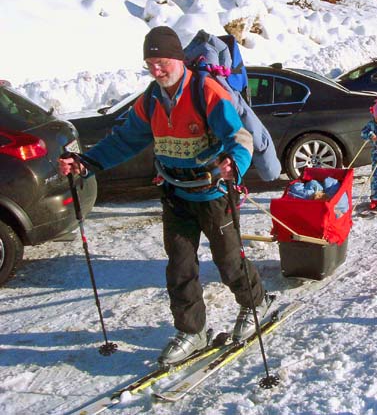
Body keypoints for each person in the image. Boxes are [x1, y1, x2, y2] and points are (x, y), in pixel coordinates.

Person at [58, 26, 272, 367]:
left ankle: (255, 303)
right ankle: (192, 331)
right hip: (175, 194)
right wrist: (88, 162)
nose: (157, 70)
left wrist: (235, 162)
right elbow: (125, 139)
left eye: (162, 62)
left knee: (230, 261)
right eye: (150, 64)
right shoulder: (152, 98)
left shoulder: (207, 91)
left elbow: (239, 136)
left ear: (178, 59)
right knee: (180, 268)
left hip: (214, 193)